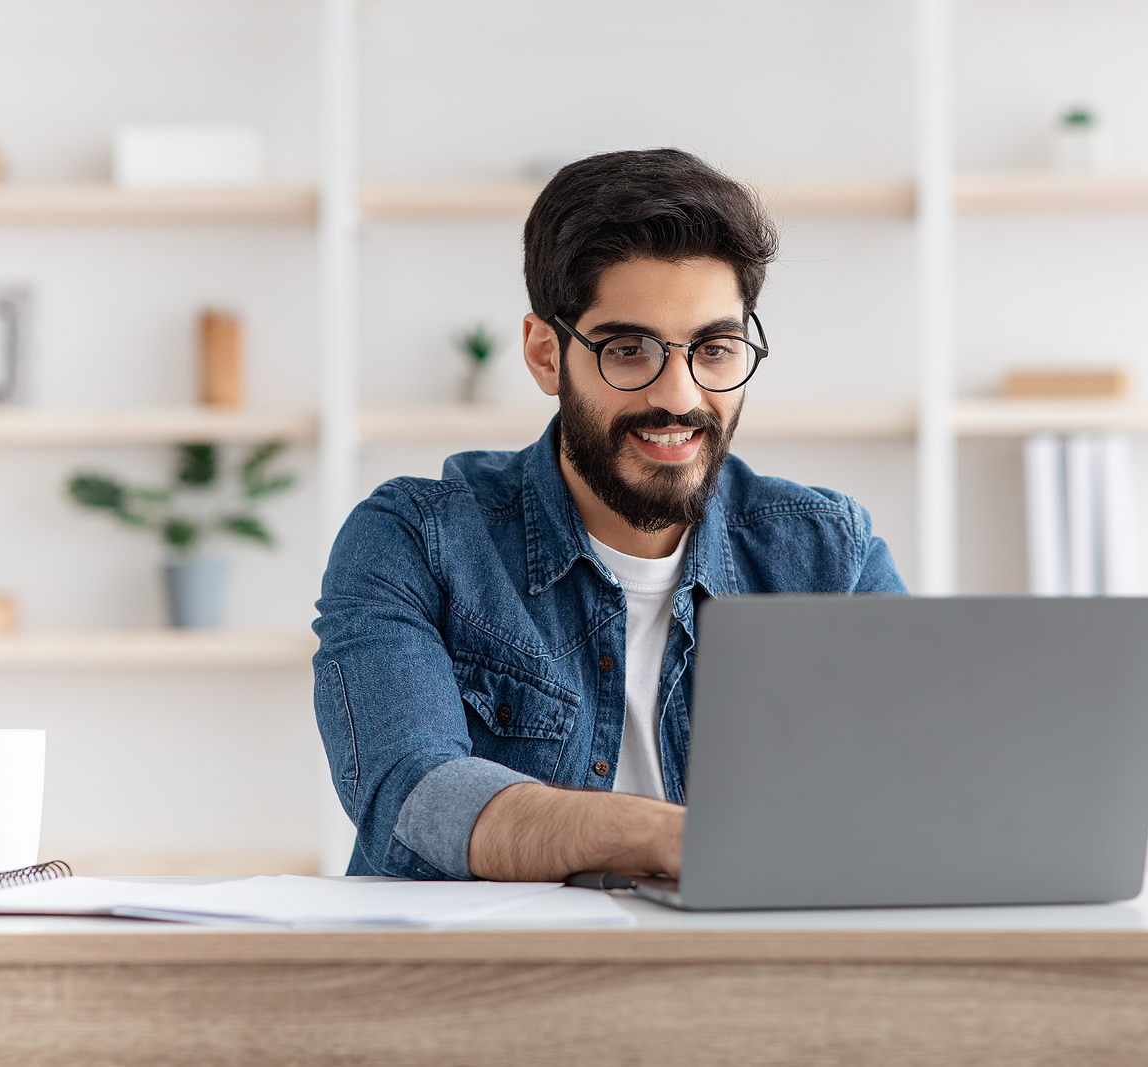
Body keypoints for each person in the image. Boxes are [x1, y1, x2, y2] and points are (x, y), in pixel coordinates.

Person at [313, 148, 906, 881]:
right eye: (629, 350)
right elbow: (413, 794)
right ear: (544, 354)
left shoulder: (828, 553)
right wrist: (671, 837)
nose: (681, 396)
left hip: (747, 984)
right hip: (480, 987)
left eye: (715, 349)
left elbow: (916, 790)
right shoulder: (416, 541)